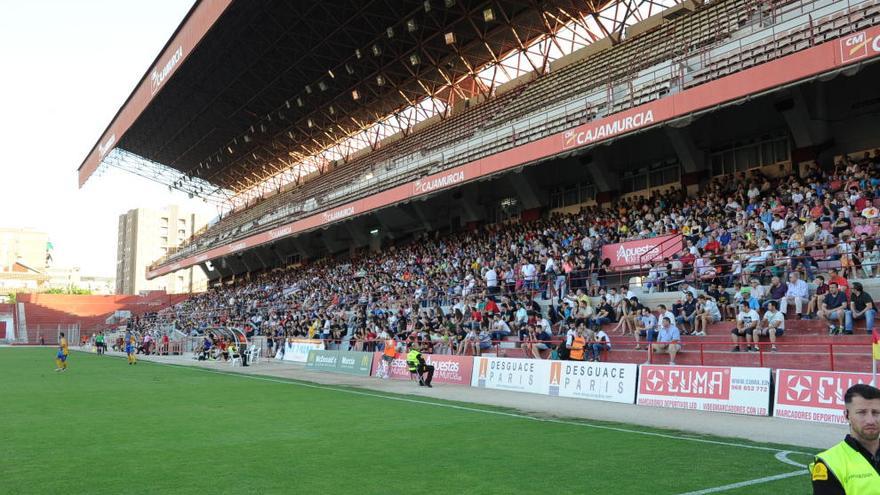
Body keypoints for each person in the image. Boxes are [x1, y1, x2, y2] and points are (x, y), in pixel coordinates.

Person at [810, 383, 880, 494]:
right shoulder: (829, 463)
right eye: (862, 412)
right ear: (847, 415)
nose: (870, 420)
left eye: (876, 412)